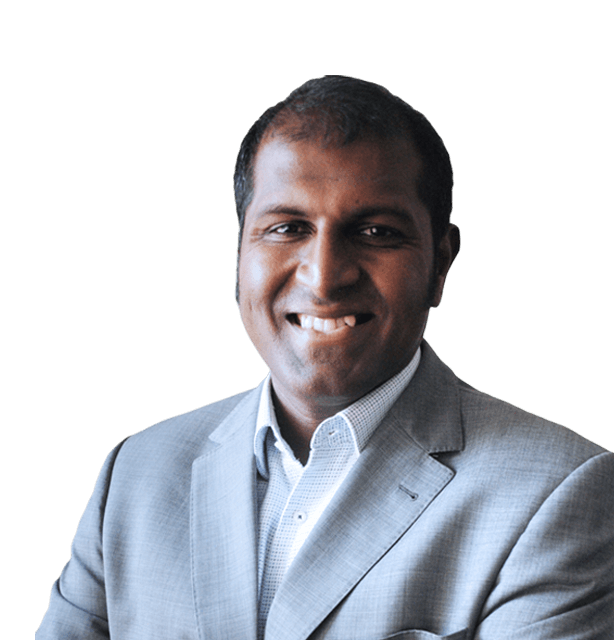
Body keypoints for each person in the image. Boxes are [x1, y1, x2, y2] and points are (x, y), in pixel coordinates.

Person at [37, 76, 613, 640]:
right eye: (287, 228)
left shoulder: (558, 491)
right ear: (238, 255)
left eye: (376, 232)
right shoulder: (136, 472)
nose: (324, 277)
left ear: (441, 263)